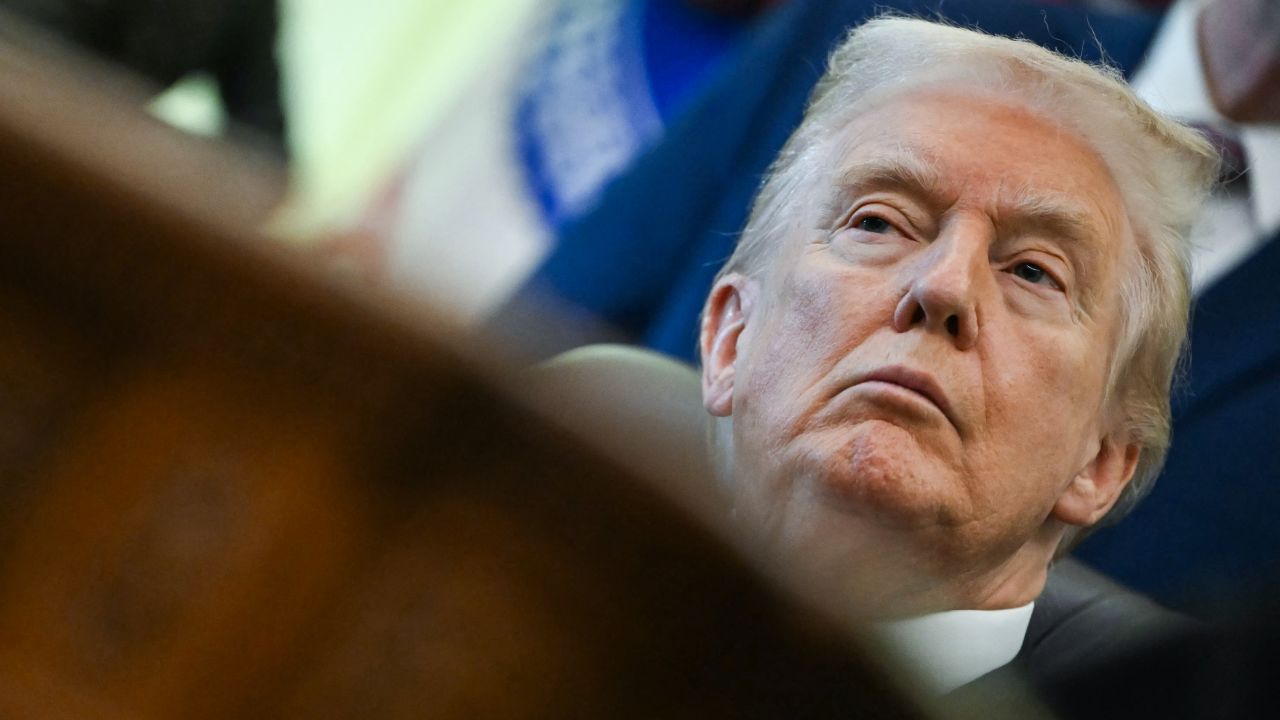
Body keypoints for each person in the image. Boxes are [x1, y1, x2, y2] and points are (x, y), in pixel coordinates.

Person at [693, 16, 1216, 692]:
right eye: (878, 223)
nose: (942, 285)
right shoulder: (536, 583)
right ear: (730, 340)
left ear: (1102, 462)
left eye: (1033, 272)